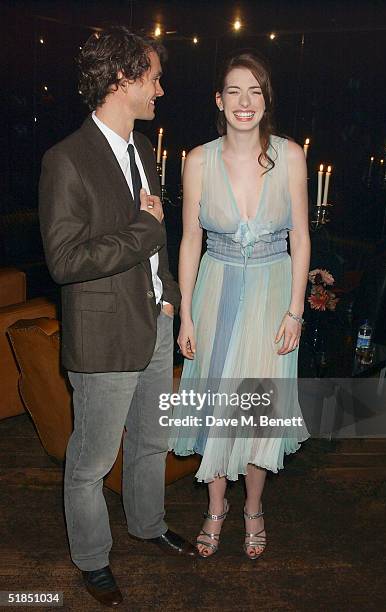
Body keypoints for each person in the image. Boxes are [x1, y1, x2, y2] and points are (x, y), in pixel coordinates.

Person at [39, 26, 196, 608]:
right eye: (153, 77)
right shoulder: (67, 160)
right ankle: (91, 558)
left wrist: (172, 298)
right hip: (104, 336)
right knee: (91, 460)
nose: (161, 88)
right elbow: (65, 260)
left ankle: (148, 524)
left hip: (153, 322)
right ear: (121, 79)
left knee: (152, 441)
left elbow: (155, 245)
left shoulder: (139, 152)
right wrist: (143, 230)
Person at [169, 52, 310, 560]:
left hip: (273, 292)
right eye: (234, 91)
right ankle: (215, 508)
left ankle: (252, 507)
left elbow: (300, 235)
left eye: (254, 91)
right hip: (216, 289)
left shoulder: (290, 155)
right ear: (219, 101)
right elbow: (188, 240)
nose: (244, 102)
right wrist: (186, 312)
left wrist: (295, 309)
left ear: (265, 98)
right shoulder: (199, 160)